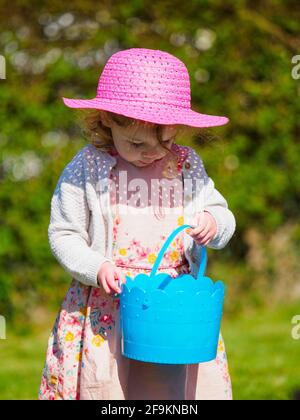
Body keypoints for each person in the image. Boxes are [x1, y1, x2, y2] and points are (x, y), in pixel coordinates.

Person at [38, 48, 236, 400]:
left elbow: (221, 212)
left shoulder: (187, 165)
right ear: (107, 120)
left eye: (166, 141)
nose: (154, 153)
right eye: (137, 143)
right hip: (108, 308)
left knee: (171, 392)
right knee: (112, 389)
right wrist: (96, 266)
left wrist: (213, 222)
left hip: (173, 308)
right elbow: (64, 234)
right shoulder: (88, 168)